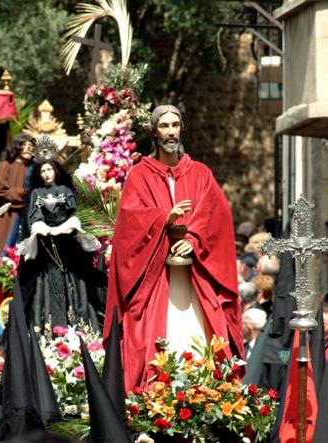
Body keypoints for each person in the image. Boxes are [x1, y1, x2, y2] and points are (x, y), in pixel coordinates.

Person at [104, 104, 243, 390]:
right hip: (156, 282)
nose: (170, 132)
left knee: (201, 344)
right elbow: (129, 224)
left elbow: (215, 218)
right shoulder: (139, 176)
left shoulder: (201, 174)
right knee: (159, 344)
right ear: (154, 132)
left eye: (175, 125)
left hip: (195, 279)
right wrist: (163, 219)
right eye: (164, 126)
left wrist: (193, 240)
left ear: (182, 129)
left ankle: (204, 395)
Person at [18, 136, 102, 332]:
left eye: (49, 170)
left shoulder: (65, 190)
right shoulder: (36, 194)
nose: (47, 174)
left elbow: (74, 212)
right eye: (43, 171)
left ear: (55, 170)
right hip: (48, 250)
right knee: (46, 285)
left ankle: (79, 326)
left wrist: (70, 225)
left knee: (75, 282)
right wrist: (41, 227)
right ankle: (51, 328)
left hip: (68, 247)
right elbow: (34, 216)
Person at [0, 133, 36, 249]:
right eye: (25, 145)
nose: (29, 148)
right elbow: (0, 189)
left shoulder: (33, 168)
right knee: (2, 245)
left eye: (30, 145)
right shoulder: (5, 165)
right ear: (17, 147)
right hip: (6, 214)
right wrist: (24, 193)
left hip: (26, 212)